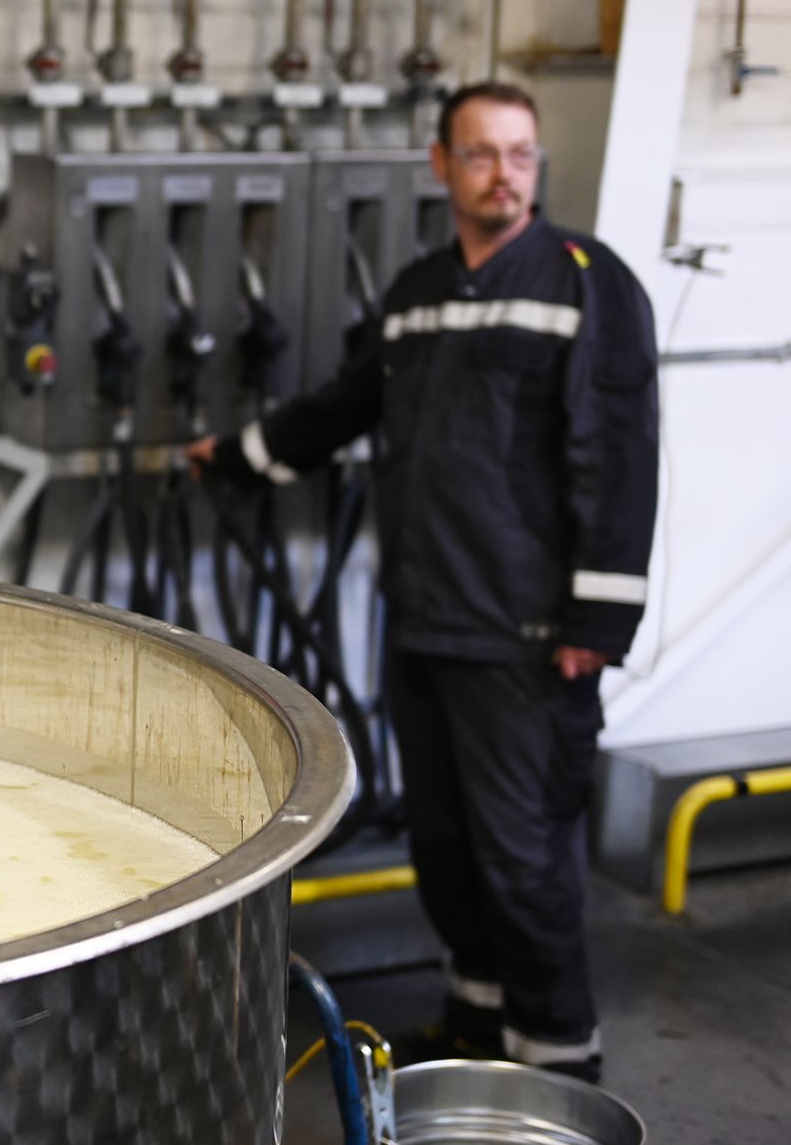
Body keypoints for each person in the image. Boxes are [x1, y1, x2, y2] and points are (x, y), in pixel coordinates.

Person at [187, 81, 658, 1083]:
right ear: (441, 166)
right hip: (428, 620)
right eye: (482, 154)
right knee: (446, 849)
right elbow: (343, 405)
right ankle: (478, 1027)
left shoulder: (585, 281)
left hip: (528, 634)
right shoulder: (414, 294)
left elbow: (618, 451)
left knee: (522, 858)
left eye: (521, 154)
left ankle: (556, 1071)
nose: (505, 175)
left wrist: (596, 617)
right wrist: (236, 455)